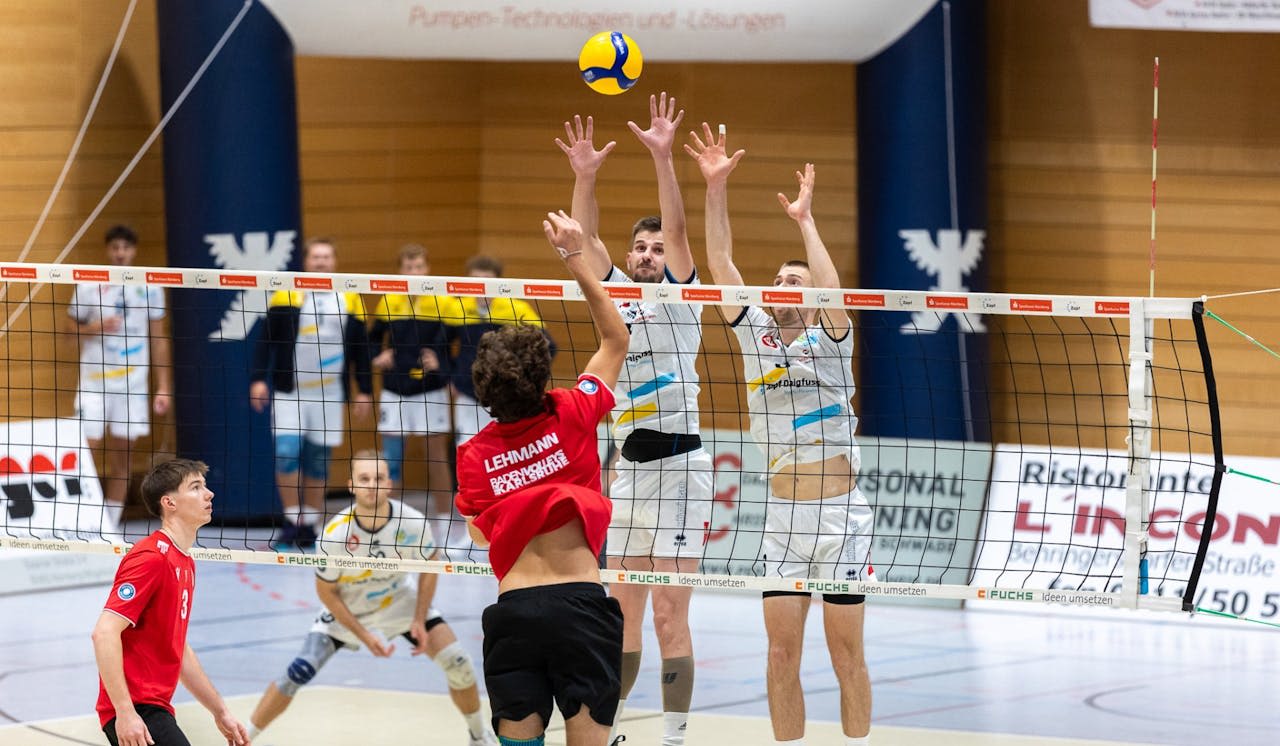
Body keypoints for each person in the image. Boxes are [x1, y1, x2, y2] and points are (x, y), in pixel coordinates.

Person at [688, 127, 873, 745]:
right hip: (782, 521)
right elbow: (719, 264)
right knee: (779, 656)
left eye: (797, 282)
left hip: (843, 519)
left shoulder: (833, 341)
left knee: (846, 656)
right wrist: (715, 189)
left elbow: (830, 291)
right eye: (781, 281)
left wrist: (805, 222)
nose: (789, 287)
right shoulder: (756, 337)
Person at [559, 95, 711, 746]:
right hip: (628, 475)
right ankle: (609, 732)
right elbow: (584, 239)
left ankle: (674, 736)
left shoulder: (680, 297)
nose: (650, 254)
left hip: (682, 470)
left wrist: (661, 154)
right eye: (640, 248)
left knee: (671, 618)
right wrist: (586, 175)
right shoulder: (614, 289)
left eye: (654, 248)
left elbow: (680, 232)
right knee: (618, 615)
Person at [454, 211, 628, 746]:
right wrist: (574, 257)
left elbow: (480, 535)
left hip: (514, 614)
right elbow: (615, 338)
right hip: (580, 607)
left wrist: (518, 498)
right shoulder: (573, 410)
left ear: (483, 388)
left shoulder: (473, 454)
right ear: (540, 374)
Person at [247, 449, 496, 746]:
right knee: (297, 671)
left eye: (378, 477)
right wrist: (364, 635)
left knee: (459, 663)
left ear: (389, 483)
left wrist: (418, 617)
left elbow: (430, 566)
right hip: (348, 607)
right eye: (364, 479)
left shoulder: (413, 522)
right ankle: (243, 739)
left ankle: (478, 736)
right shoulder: (335, 534)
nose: (372, 484)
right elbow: (326, 591)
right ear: (351, 484)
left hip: (397, 599)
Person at [91, 458, 249, 746]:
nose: (209, 493)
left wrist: (220, 711)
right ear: (169, 503)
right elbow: (104, 632)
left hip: (155, 707)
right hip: (136, 708)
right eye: (196, 487)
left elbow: (178, 649)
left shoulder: (184, 561)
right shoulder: (151, 558)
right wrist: (125, 713)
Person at [249, 237, 373, 549]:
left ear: (334, 262)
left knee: (318, 461)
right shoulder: (286, 293)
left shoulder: (349, 297)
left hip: (329, 395)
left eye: (326, 257)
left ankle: (312, 524)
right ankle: (293, 520)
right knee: (287, 453)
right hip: (290, 392)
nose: (321, 262)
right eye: (316, 257)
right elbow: (266, 340)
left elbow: (361, 349)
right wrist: (258, 378)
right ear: (306, 262)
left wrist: (364, 390)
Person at [67, 224, 172, 531]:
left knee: (123, 458)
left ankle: (109, 526)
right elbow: (68, 334)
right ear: (108, 250)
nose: (120, 253)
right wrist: (95, 327)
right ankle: (81, 521)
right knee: (86, 449)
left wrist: (163, 387)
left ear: (133, 251)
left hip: (132, 388)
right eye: (115, 248)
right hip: (94, 385)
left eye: (125, 248)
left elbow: (159, 339)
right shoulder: (88, 285)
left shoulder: (150, 287)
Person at [370, 244, 454, 519]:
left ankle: (445, 527)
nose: (414, 272)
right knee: (391, 463)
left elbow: (460, 344)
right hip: (394, 392)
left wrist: (443, 366)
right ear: (400, 271)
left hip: (431, 393)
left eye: (419, 267)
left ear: (427, 269)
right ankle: (389, 523)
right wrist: (377, 355)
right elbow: (371, 340)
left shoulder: (445, 302)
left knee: (436, 459)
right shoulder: (389, 301)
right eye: (408, 267)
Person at [445, 254, 552, 447]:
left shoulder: (515, 308)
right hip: (467, 396)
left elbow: (547, 346)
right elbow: (440, 345)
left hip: (504, 398)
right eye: (476, 281)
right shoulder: (457, 308)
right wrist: (451, 375)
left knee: (503, 451)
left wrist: (523, 379)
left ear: (498, 283)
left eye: (487, 282)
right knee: (466, 451)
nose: (481, 288)